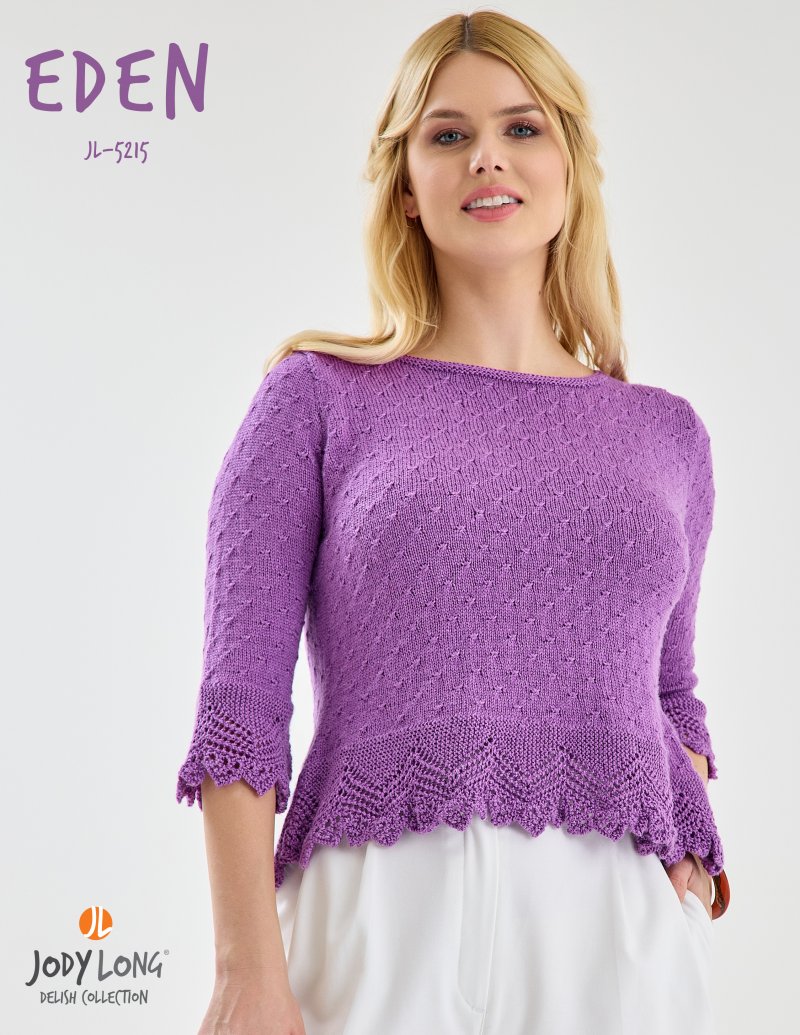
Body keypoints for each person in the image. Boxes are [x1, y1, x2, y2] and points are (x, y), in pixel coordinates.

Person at [176, 10, 731, 1035]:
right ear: (405, 182)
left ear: (570, 167)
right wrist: (245, 969)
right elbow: (240, 708)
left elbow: (670, 691)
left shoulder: (668, 435)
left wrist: (684, 867)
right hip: (388, 909)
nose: (487, 156)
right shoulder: (315, 398)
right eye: (447, 134)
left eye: (522, 128)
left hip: (619, 930)